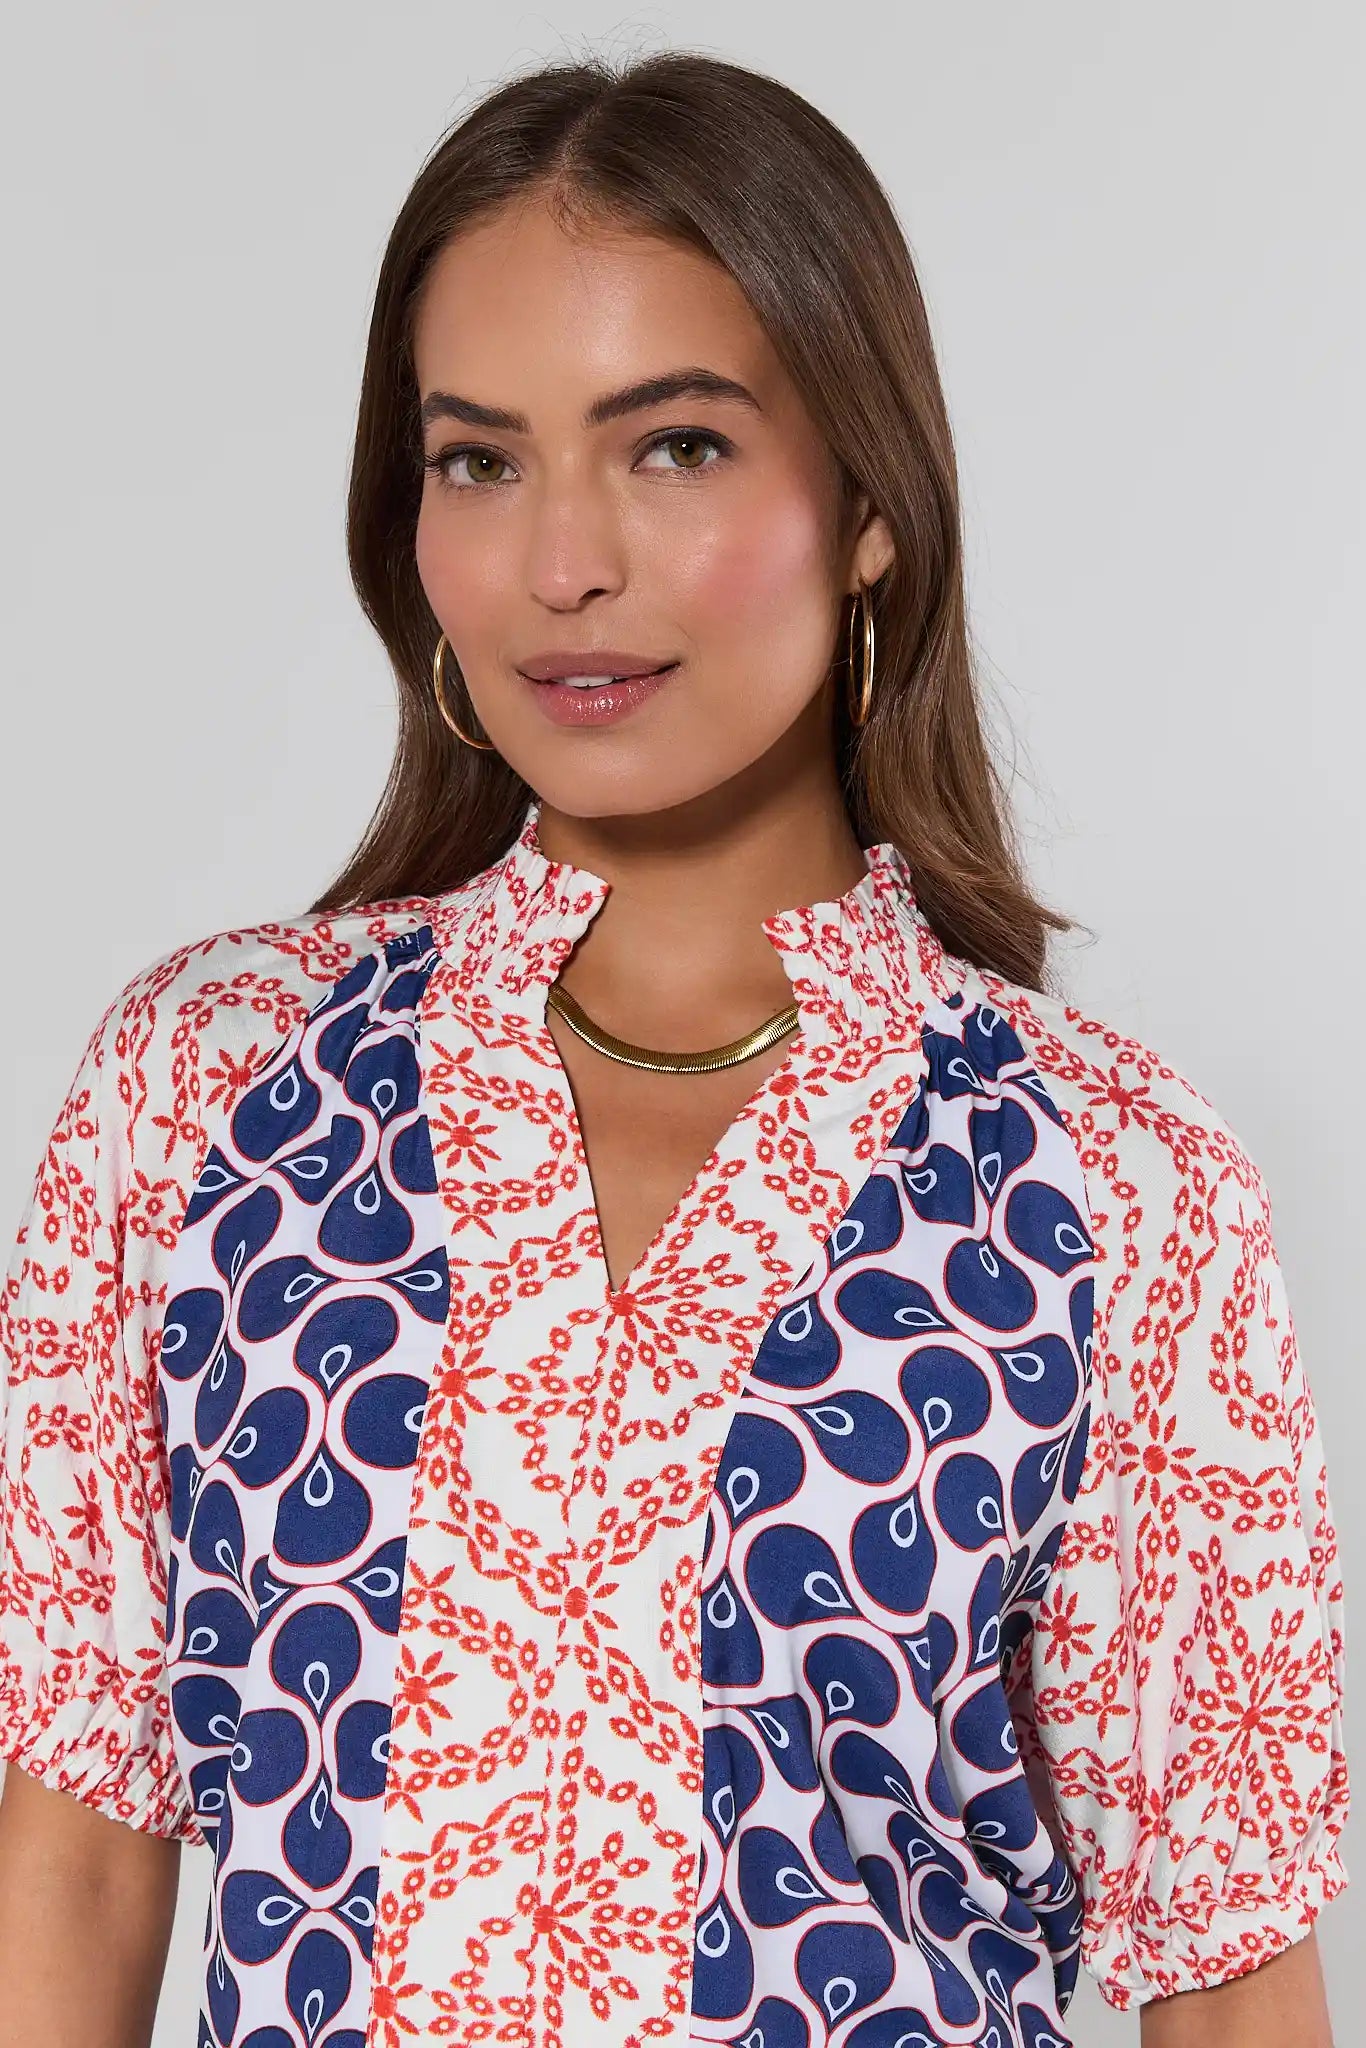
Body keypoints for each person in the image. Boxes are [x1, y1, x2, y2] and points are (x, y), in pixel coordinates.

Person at [0, 46, 1349, 2048]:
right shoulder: (206, 1091)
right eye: (479, 461)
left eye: (676, 445)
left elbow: (1227, 1981)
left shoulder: (1108, 1185)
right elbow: (79, 1860)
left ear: (867, 503)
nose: (564, 563)